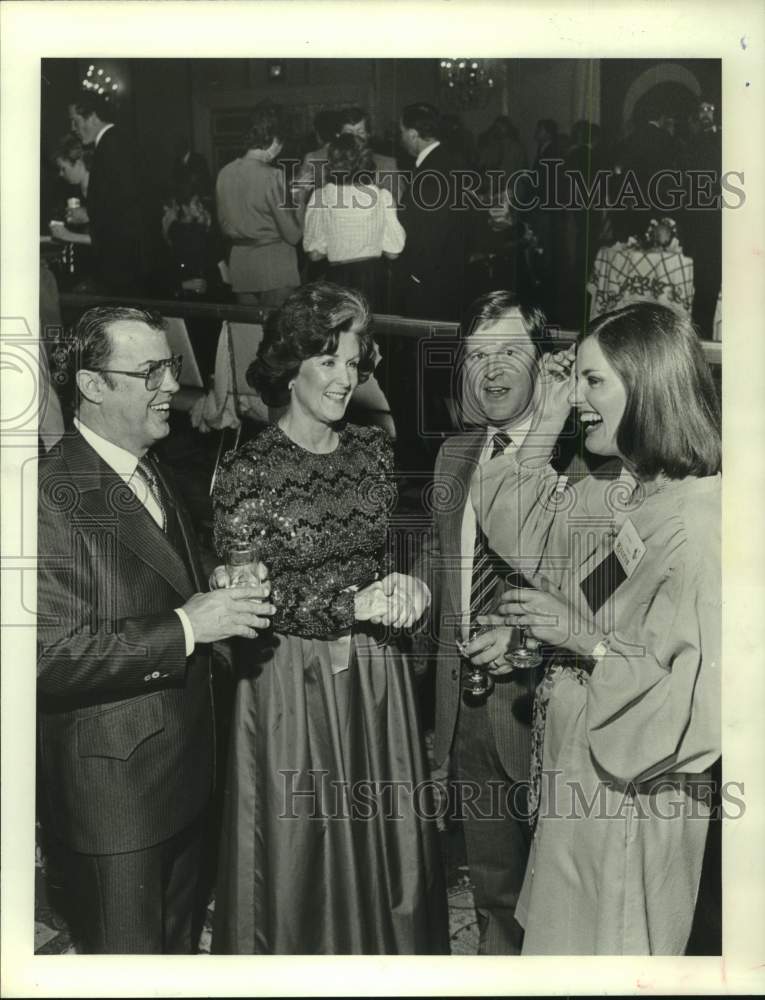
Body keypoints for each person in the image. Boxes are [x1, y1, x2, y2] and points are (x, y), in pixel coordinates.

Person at [472, 302, 721, 954]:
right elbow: (518, 526)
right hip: (578, 788)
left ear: (645, 385)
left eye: (592, 381)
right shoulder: (626, 493)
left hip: (633, 806)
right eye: (572, 379)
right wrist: (534, 636)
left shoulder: (700, 523)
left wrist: (579, 638)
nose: (575, 396)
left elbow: (695, 708)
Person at [211, 282, 449, 955]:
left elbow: (394, 556)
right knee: (298, 854)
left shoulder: (372, 452)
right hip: (291, 683)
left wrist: (407, 586)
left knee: (389, 851)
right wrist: (348, 605)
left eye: (355, 363)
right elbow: (253, 604)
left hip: (377, 679)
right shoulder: (247, 471)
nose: (346, 379)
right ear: (290, 366)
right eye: (329, 361)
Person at [36, 306, 275, 953]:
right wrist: (186, 625)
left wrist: (215, 587)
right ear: (92, 385)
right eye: (149, 372)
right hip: (116, 807)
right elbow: (44, 655)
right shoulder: (47, 495)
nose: (171, 385)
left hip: (180, 781)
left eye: (168, 367)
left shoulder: (147, 467)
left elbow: (164, 581)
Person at [412, 291, 580, 954]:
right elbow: (438, 563)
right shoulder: (455, 454)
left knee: (561, 894)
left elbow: (600, 583)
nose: (491, 369)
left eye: (509, 350)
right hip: (470, 714)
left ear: (546, 363)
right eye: (477, 355)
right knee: (492, 890)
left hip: (548, 708)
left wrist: (528, 637)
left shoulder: (581, 456)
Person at [303, 133, 405, 312]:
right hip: (375, 281)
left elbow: (314, 254)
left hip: (337, 281)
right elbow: (394, 252)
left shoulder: (320, 196)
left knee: (341, 335)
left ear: (332, 163)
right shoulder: (382, 196)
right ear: (367, 162)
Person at [215, 105, 302, 307]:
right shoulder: (273, 175)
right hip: (275, 267)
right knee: (277, 335)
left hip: (240, 266)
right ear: (274, 140)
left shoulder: (224, 173)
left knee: (247, 336)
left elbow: (223, 226)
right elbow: (293, 235)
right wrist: (300, 201)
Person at [68, 90, 145, 294]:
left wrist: (90, 212)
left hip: (123, 260)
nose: (73, 128)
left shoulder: (112, 144)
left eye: (75, 122)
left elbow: (126, 203)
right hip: (124, 258)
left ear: (92, 117)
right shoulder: (113, 141)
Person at [396, 102, 468, 321]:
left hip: (430, 282)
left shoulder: (430, 172)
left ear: (412, 134)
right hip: (450, 273)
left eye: (401, 132)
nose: (401, 138)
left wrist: (416, 276)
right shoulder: (448, 160)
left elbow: (432, 231)